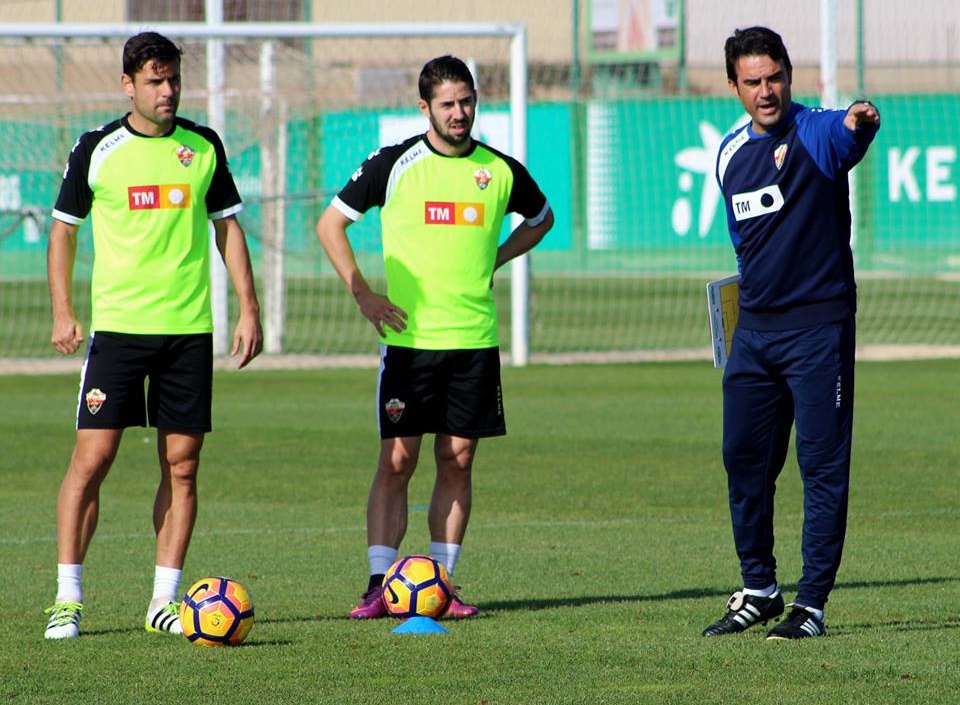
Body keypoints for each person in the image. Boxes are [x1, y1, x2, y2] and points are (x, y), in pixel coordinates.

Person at [316, 55, 554, 619]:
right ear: (424, 107)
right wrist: (364, 295)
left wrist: (494, 258)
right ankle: (379, 584)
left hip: (473, 340)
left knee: (459, 460)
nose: (459, 113)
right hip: (408, 342)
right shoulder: (395, 163)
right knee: (397, 461)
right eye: (447, 103)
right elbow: (331, 224)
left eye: (467, 101)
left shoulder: (500, 170)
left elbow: (542, 219)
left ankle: (440, 585)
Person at [44, 31, 263, 640]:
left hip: (188, 332)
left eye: (173, 81)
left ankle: (163, 602)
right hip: (117, 333)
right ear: (128, 85)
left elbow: (228, 229)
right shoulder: (96, 149)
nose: (167, 92)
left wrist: (249, 307)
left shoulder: (204, 146)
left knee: (183, 466)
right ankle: (68, 598)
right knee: (92, 461)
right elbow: (63, 231)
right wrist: (63, 310)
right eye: (154, 81)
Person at [701, 26, 880, 640]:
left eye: (774, 77)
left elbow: (848, 132)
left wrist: (860, 120)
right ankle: (759, 588)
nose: (765, 91)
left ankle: (812, 604)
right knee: (742, 459)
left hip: (818, 333)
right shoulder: (728, 154)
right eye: (752, 82)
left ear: (789, 75)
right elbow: (750, 244)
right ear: (734, 86)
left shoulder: (815, 132)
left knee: (821, 466)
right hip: (754, 334)